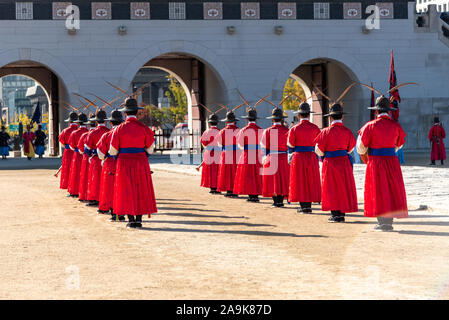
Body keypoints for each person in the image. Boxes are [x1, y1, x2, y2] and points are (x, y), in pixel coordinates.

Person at [357, 96, 408, 231]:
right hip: (391, 160)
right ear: (389, 111)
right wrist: (390, 149)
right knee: (391, 190)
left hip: (376, 161)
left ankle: (382, 222)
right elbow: (400, 144)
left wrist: (368, 153)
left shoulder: (369, 126)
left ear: (376, 111)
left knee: (378, 190)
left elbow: (360, 147)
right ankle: (388, 222)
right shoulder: (396, 125)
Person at [109, 97, 158, 228]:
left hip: (124, 162)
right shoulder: (145, 128)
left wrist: (120, 155)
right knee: (140, 189)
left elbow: (113, 151)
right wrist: (142, 154)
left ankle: (131, 220)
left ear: (125, 113)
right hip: (141, 161)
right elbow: (150, 149)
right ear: (137, 112)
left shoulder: (118, 129)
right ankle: (139, 219)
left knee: (126, 190)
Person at [314, 103, 358, 223]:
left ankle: (335, 214)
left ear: (330, 117)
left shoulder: (324, 132)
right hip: (344, 162)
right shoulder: (347, 131)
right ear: (342, 117)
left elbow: (318, 150)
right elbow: (350, 149)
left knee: (331, 187)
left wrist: (325, 155)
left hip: (330, 162)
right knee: (342, 187)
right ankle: (341, 214)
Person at [287, 102, 321, 214]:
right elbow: (319, 144)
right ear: (309, 115)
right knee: (310, 180)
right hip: (311, 156)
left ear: (299, 115)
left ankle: (303, 206)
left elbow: (291, 145)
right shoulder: (315, 128)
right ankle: (308, 205)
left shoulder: (294, 129)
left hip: (299, 156)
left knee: (300, 180)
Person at [97, 109, 125, 221]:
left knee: (111, 189)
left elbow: (100, 154)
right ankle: (123, 213)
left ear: (111, 123)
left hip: (110, 163)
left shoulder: (107, 135)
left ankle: (115, 214)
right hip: (124, 162)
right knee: (123, 188)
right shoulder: (125, 133)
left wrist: (104, 158)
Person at [261, 107, 290, 208]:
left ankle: (275, 201)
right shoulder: (287, 130)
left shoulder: (268, 131)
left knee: (273, 179)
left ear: (272, 119)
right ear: (282, 119)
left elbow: (264, 145)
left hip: (272, 156)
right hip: (283, 157)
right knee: (282, 179)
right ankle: (281, 201)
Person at [233, 107, 263, 202]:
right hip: (258, 154)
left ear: (247, 119)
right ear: (256, 119)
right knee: (258, 174)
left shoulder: (243, 130)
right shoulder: (261, 130)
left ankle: (251, 195)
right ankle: (256, 194)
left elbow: (240, 145)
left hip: (247, 154)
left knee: (249, 174)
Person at [85, 110, 110, 208]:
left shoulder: (92, 133)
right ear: (106, 121)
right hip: (107, 158)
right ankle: (104, 199)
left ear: (96, 122)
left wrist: (91, 155)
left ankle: (94, 199)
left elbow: (87, 149)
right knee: (105, 180)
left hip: (95, 158)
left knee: (95, 179)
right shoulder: (109, 132)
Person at [216, 111, 240, 198]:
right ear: (235, 121)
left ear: (226, 122)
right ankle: (235, 189)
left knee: (226, 172)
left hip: (226, 153)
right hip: (237, 153)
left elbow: (219, 144)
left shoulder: (222, 131)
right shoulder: (239, 131)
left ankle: (229, 190)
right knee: (235, 171)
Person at [67, 113, 89, 197]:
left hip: (77, 154)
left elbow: (71, 146)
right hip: (87, 155)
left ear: (78, 123)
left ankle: (75, 191)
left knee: (76, 173)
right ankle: (84, 191)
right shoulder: (88, 132)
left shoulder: (74, 133)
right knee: (85, 174)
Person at [200, 113, 221, 194]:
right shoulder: (220, 131)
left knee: (210, 170)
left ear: (209, 123)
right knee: (217, 170)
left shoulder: (206, 132)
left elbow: (203, 143)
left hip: (209, 153)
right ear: (217, 123)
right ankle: (217, 186)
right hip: (218, 153)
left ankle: (212, 188)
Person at [78, 113, 96, 203]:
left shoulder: (86, 135)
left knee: (87, 178)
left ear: (89, 124)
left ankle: (88, 196)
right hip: (103, 158)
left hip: (88, 157)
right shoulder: (107, 132)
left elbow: (81, 150)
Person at [59, 111, 79, 189]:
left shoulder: (65, 131)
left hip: (68, 152)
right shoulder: (79, 130)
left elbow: (62, 142)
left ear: (69, 122)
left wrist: (68, 147)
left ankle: (67, 184)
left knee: (67, 168)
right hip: (78, 152)